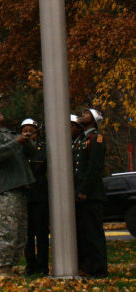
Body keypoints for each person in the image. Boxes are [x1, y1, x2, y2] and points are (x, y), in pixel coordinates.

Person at [0, 108, 35, 278]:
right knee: (9, 230)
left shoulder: (10, 134)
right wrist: (17, 142)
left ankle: (9, 266)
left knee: (20, 233)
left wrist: (27, 140)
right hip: (5, 190)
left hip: (18, 188)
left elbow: (31, 152)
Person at [73, 107, 108, 278]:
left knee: (94, 233)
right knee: (84, 233)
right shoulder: (81, 139)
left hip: (91, 194)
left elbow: (94, 167)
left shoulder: (97, 138)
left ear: (93, 120)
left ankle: (99, 269)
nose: (82, 115)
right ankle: (88, 267)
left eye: (86, 114)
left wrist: (84, 190)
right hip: (81, 194)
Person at [21, 118, 49, 276]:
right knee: (27, 235)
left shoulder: (43, 148)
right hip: (25, 195)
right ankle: (30, 265)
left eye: (30, 130)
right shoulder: (19, 148)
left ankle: (43, 265)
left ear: (36, 132)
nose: (27, 133)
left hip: (39, 195)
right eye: (24, 130)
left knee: (42, 233)